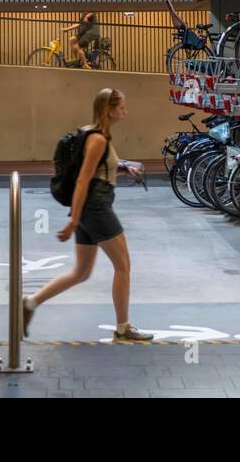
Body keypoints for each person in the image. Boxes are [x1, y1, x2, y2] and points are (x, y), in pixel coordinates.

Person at [23, 88, 152, 342]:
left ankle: (29, 305)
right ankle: (123, 328)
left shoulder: (93, 134)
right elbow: (83, 180)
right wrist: (73, 221)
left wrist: (124, 168)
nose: (125, 111)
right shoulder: (98, 140)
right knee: (123, 266)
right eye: (122, 107)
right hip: (96, 208)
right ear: (110, 110)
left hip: (89, 209)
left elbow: (95, 171)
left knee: (81, 272)